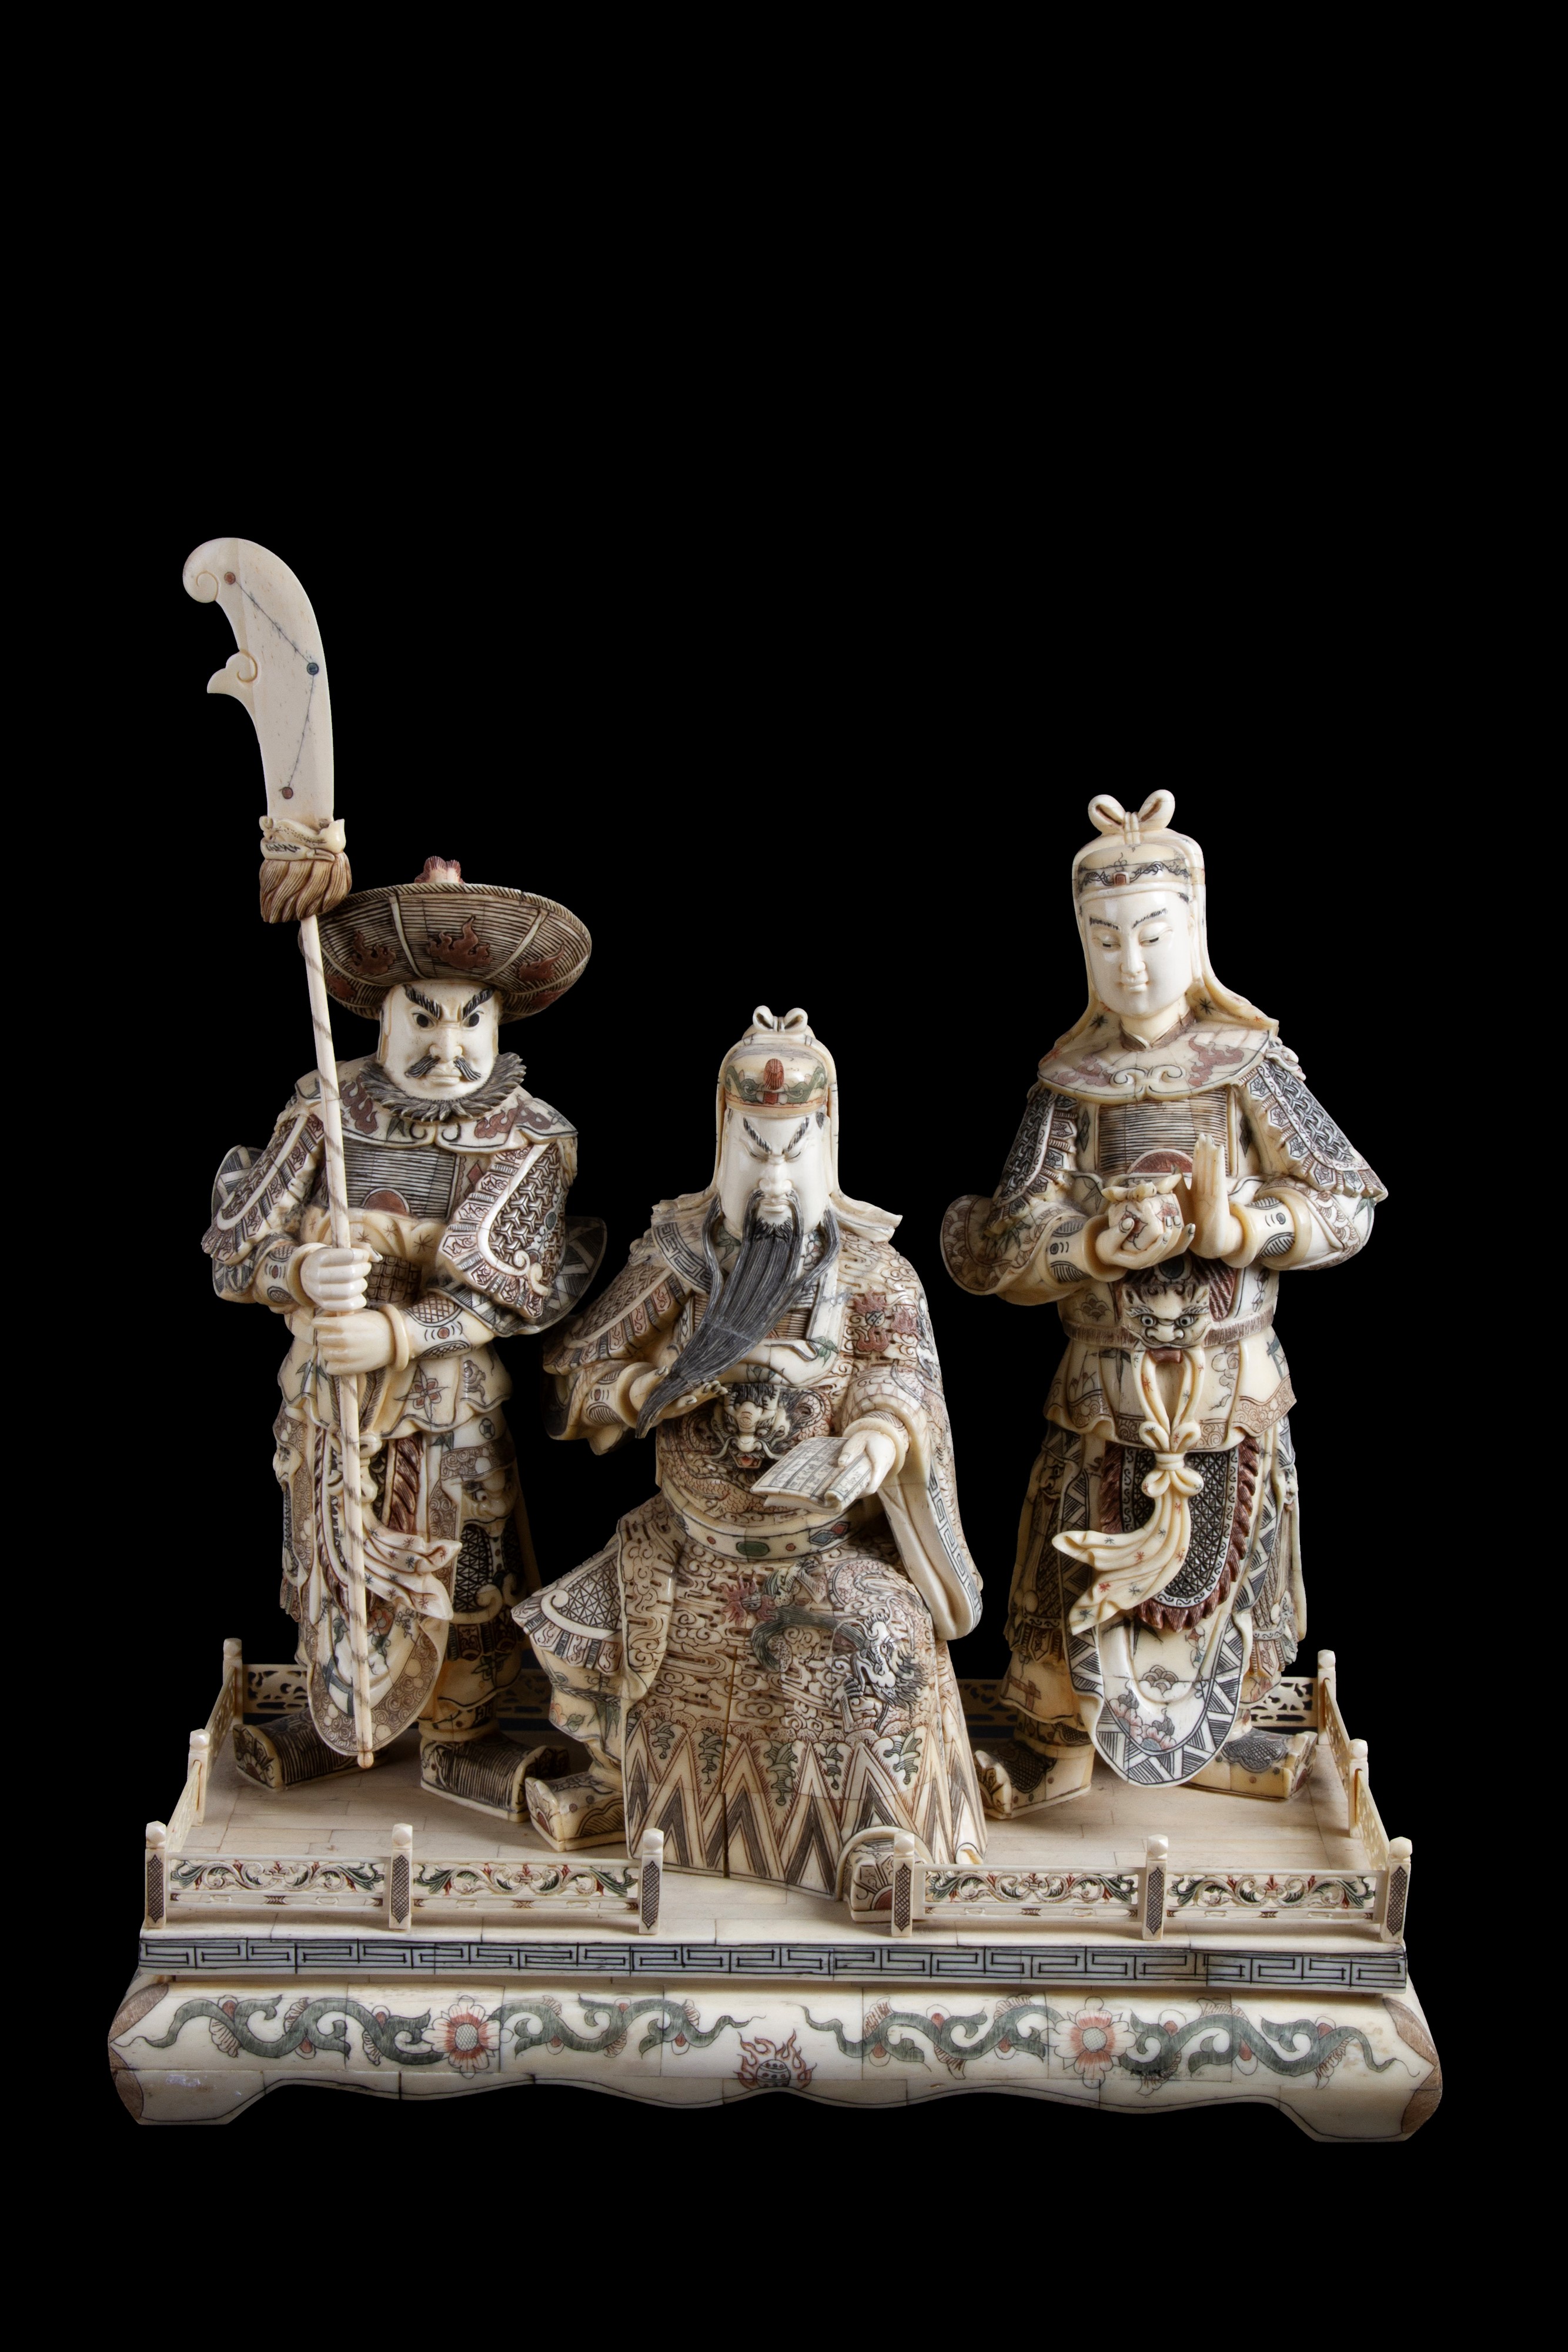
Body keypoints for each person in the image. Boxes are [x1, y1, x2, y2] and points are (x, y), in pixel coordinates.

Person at [941, 794, 1383, 1812]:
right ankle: (1061, 1737)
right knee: (1071, 1557)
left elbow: (1348, 1207)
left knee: (1237, 1557)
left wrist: (1244, 1230)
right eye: (1106, 941)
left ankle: (1223, 1731)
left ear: (1196, 931)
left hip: (1232, 1375)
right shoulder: (1069, 1086)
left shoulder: (1252, 1070)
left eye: (1152, 934)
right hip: (1104, 1381)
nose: (1132, 964)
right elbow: (1000, 1245)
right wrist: (1094, 1245)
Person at [516, 1006, 987, 1890]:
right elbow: (573, 1380)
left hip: (821, 1551)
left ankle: (878, 1839)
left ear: (826, 1142)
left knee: (880, 1643)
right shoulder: (675, 1260)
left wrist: (881, 1437)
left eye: (791, 1151)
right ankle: (626, 1790)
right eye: (755, 1149)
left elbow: (904, 1375)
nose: (773, 1175)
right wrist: (645, 1388)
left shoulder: (873, 1271)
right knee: (587, 1640)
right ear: (723, 1138)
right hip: (688, 1547)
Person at [203, 858, 602, 1817]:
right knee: (325, 1551)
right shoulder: (324, 1109)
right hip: (327, 1391)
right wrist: (302, 1273)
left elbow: (511, 1292)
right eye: (423, 1018)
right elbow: (236, 1250)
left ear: (501, 1024)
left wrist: (396, 1330)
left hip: (445, 1395)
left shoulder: (529, 1137)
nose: (448, 1046)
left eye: (471, 1020)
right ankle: (342, 1713)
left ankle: (461, 1730)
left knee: (465, 1562)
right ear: (381, 1018)